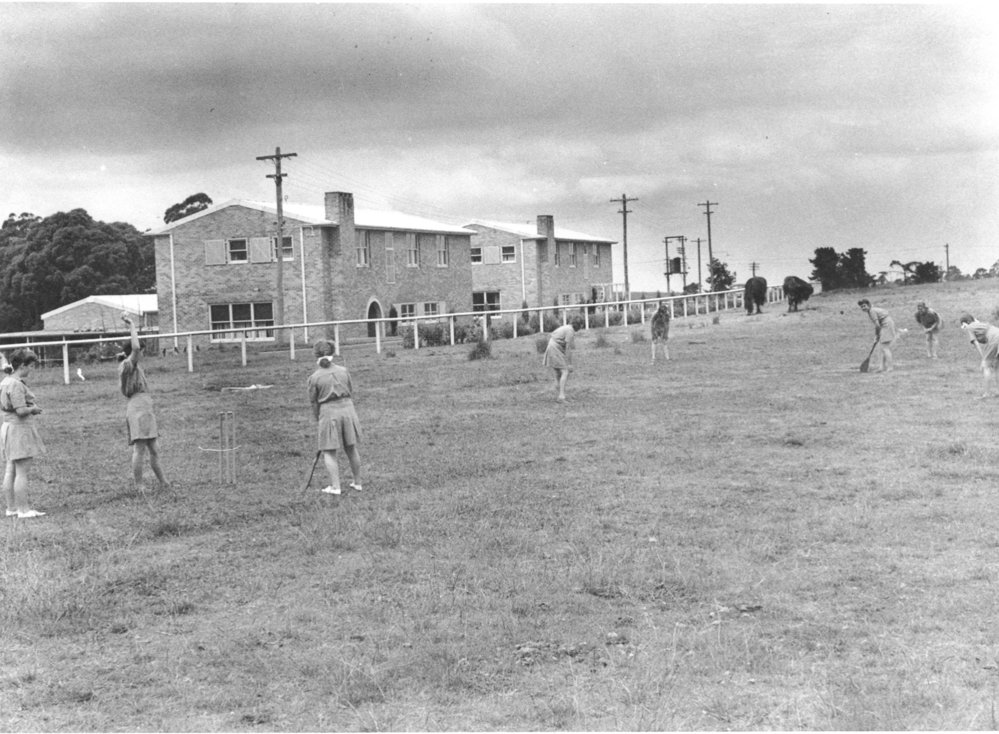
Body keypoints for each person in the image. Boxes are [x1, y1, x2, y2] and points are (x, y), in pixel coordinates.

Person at [119, 313, 169, 491]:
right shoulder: (128, 365)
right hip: (137, 408)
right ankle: (139, 485)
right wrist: (132, 324)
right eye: (141, 351)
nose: (142, 353)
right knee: (139, 448)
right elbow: (136, 347)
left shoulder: (136, 366)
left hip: (146, 407)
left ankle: (164, 482)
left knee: (154, 448)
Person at [308, 339, 362, 495]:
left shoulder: (315, 377)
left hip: (328, 411)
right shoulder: (344, 371)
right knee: (351, 447)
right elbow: (351, 390)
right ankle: (357, 482)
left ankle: (336, 487)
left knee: (329, 450)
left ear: (315, 355)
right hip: (348, 409)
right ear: (333, 352)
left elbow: (314, 402)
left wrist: (318, 418)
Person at [1, 348, 46, 518]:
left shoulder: (5, 381)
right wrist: (33, 409)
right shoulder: (16, 384)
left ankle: (11, 508)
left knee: (10, 469)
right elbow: (20, 410)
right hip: (18, 429)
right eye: (31, 366)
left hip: (8, 427)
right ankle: (23, 510)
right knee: (22, 471)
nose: (31, 369)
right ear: (22, 365)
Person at [959, 313, 999, 398]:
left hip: (994, 339)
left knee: (986, 366)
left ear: (965, 323)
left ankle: (987, 394)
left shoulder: (970, 327)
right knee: (997, 366)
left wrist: (983, 357)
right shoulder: (980, 324)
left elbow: (976, 343)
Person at [858, 299, 897, 372]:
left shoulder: (872, 311)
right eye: (861, 307)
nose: (863, 308)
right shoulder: (871, 310)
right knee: (882, 348)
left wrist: (877, 335)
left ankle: (890, 368)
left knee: (885, 347)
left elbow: (877, 325)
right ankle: (882, 367)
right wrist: (878, 335)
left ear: (868, 305)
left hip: (887, 325)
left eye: (864, 306)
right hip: (886, 324)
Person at [543, 322, 578, 402]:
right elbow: (568, 348)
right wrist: (569, 364)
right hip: (555, 348)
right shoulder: (570, 331)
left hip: (553, 346)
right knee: (565, 371)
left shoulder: (568, 327)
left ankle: (560, 394)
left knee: (558, 373)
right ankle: (561, 397)